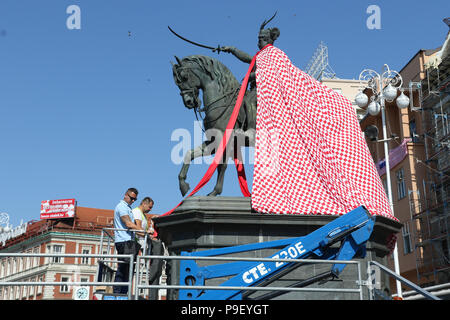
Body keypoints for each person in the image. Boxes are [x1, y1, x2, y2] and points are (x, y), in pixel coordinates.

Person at [113, 187, 143, 294]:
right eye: (132, 198)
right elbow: (128, 224)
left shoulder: (127, 207)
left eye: (135, 199)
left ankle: (124, 293)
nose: (133, 201)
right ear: (126, 195)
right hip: (123, 241)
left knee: (128, 270)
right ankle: (118, 293)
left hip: (128, 241)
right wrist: (143, 231)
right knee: (123, 269)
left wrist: (145, 232)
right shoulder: (121, 207)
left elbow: (132, 226)